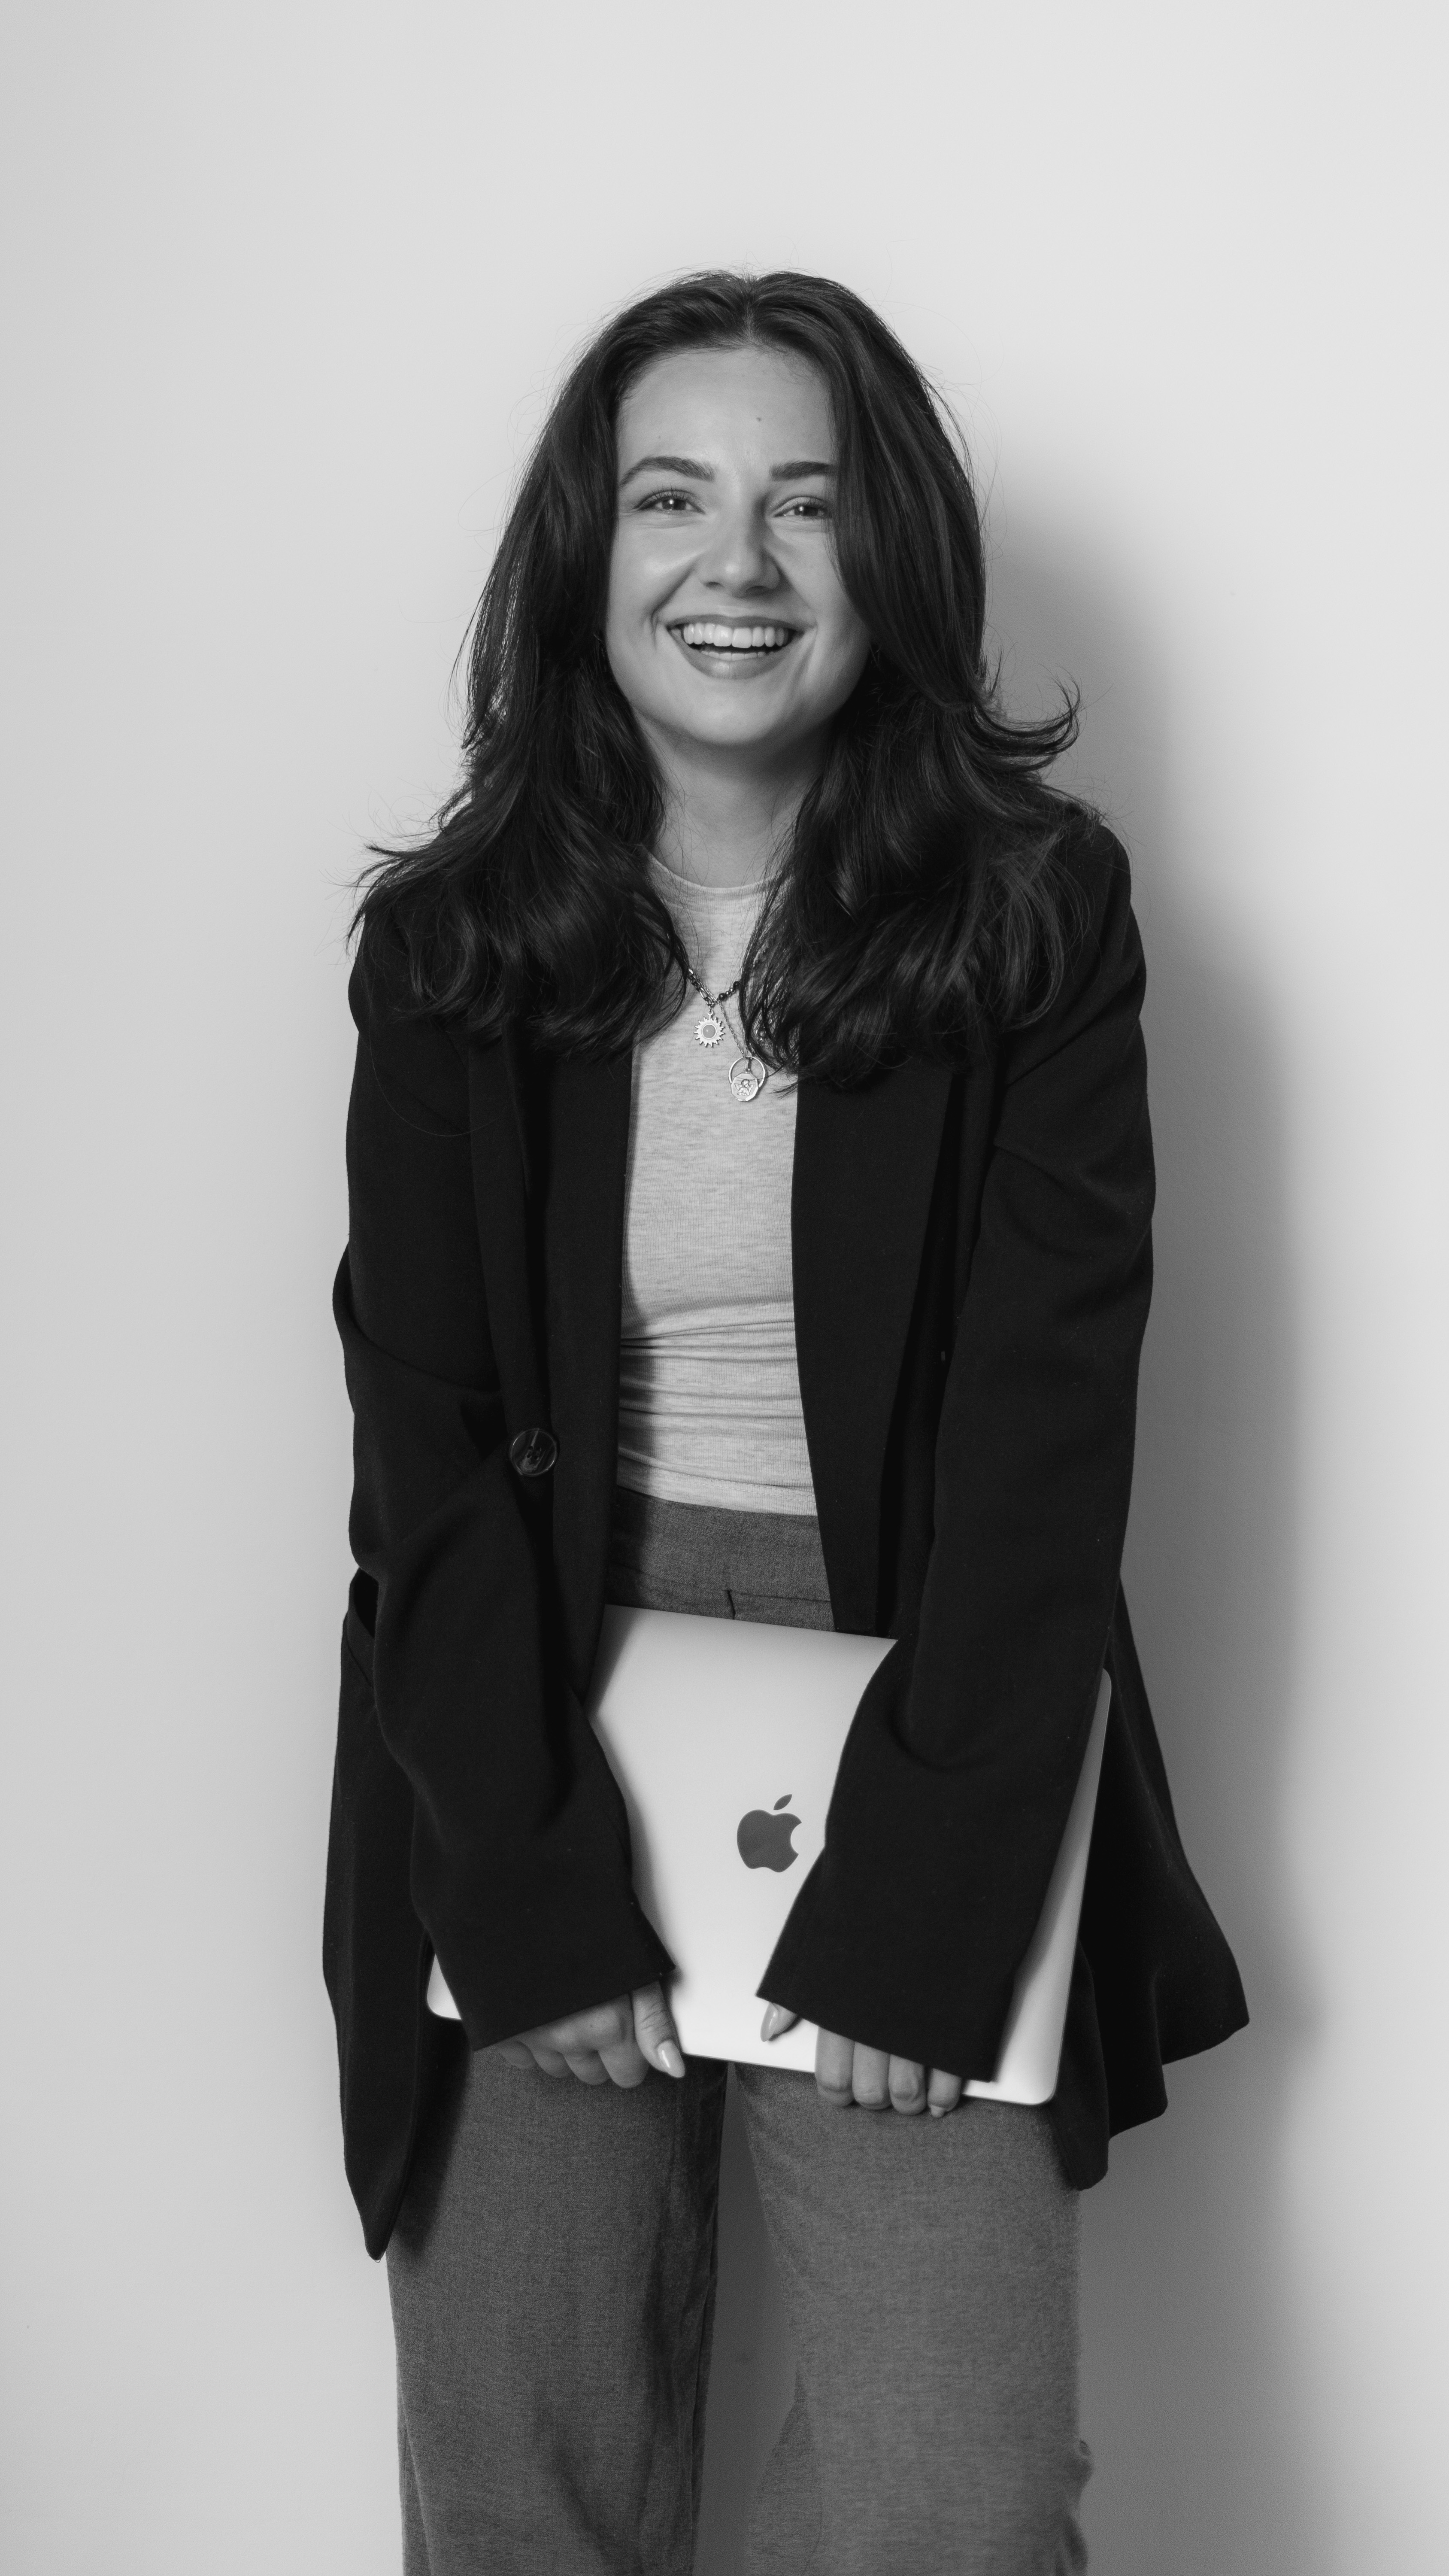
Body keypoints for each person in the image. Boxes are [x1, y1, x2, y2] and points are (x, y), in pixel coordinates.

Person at [326, 270, 1248, 2575]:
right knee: (523, 2501)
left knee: (955, 2505)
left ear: (890, 552)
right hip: (522, 1705)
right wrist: (521, 1885)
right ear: (586, 553)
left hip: (929, 1708)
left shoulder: (1036, 917)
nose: (735, 564)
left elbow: (1047, 1445)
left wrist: (927, 1906)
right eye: (673, 497)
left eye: (806, 505)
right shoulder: (454, 945)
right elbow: (424, 1448)